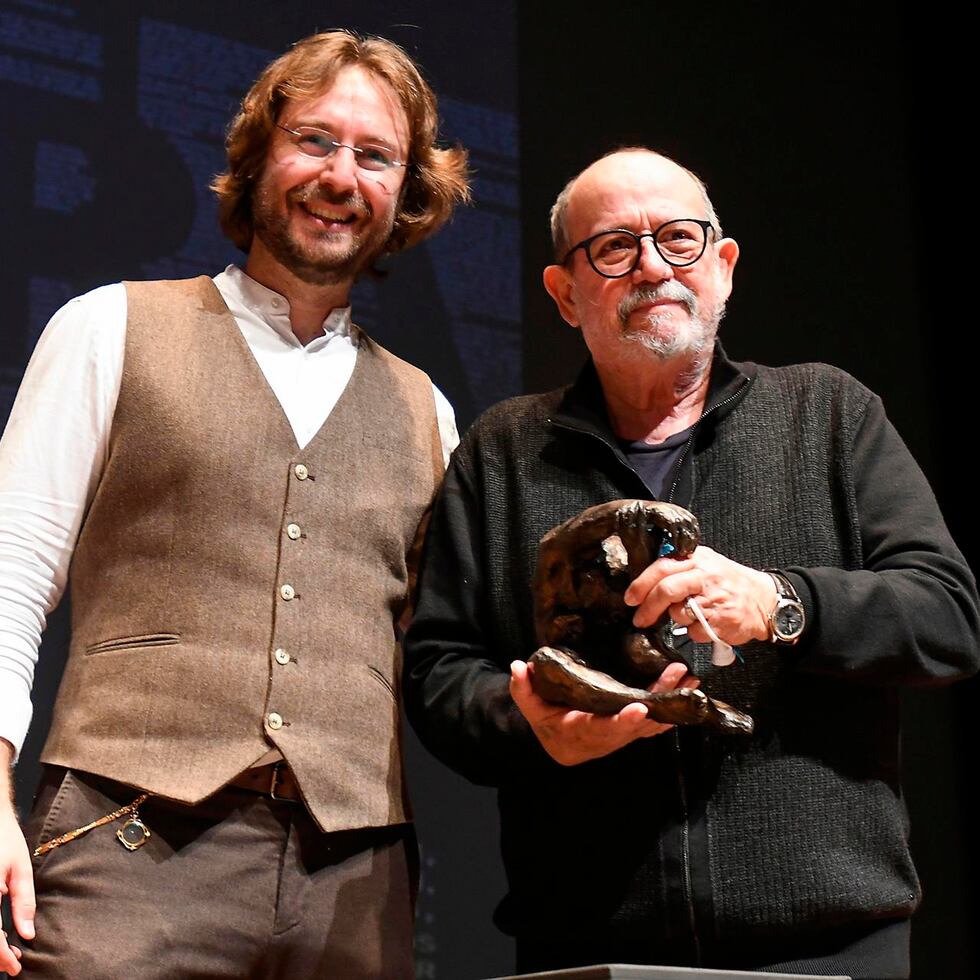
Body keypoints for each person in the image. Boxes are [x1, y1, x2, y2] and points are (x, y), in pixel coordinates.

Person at [402, 147, 979, 978]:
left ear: (724, 266)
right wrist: (530, 725)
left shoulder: (828, 415)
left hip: (827, 944)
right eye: (613, 247)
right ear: (564, 293)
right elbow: (439, 671)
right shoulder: (502, 453)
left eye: (679, 239)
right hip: (586, 943)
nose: (651, 267)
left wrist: (784, 605)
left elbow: (947, 617)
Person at [0, 29, 468, 978]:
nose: (341, 175)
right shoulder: (109, 328)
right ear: (259, 154)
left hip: (358, 881)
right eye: (315, 141)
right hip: (126, 844)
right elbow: (10, 571)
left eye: (375, 156)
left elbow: (451, 649)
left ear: (405, 193)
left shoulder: (430, 412)